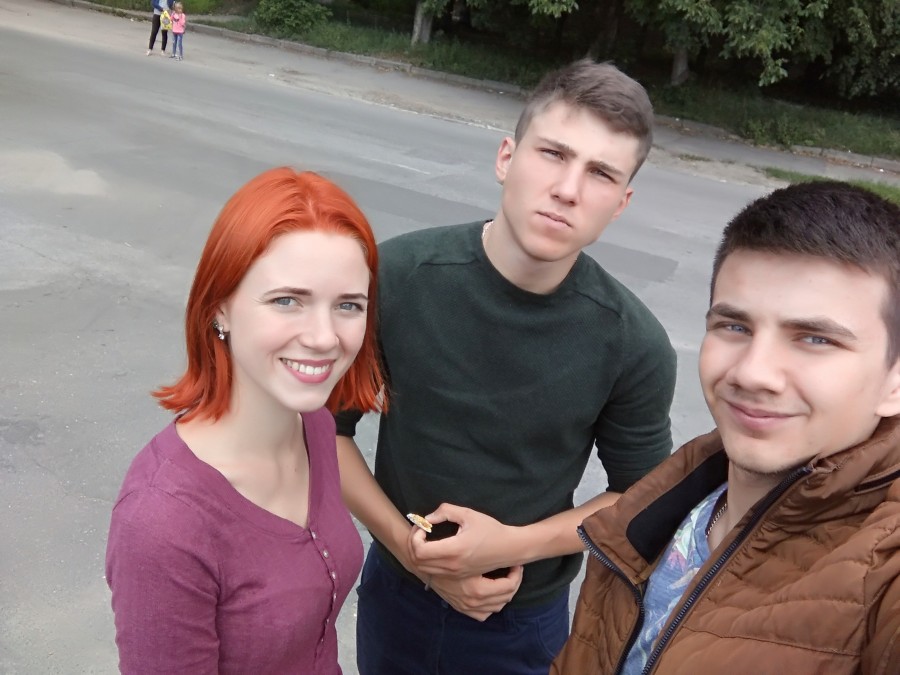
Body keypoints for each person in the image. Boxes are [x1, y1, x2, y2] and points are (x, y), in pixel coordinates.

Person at [334, 59, 677, 674]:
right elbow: (324, 432)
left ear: (620, 203)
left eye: (600, 173)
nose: (568, 189)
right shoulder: (400, 277)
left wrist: (510, 544)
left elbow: (639, 499)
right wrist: (413, 554)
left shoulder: (633, 343)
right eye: (553, 154)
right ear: (506, 158)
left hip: (522, 620)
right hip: (396, 592)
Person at [552, 181, 900, 674]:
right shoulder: (657, 507)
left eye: (815, 339)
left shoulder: (885, 570)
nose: (752, 373)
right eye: (735, 327)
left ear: (895, 381)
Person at [105, 167, 387, 673]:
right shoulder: (163, 522)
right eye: (287, 301)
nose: (324, 337)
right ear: (220, 308)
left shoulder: (315, 427)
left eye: (348, 305)